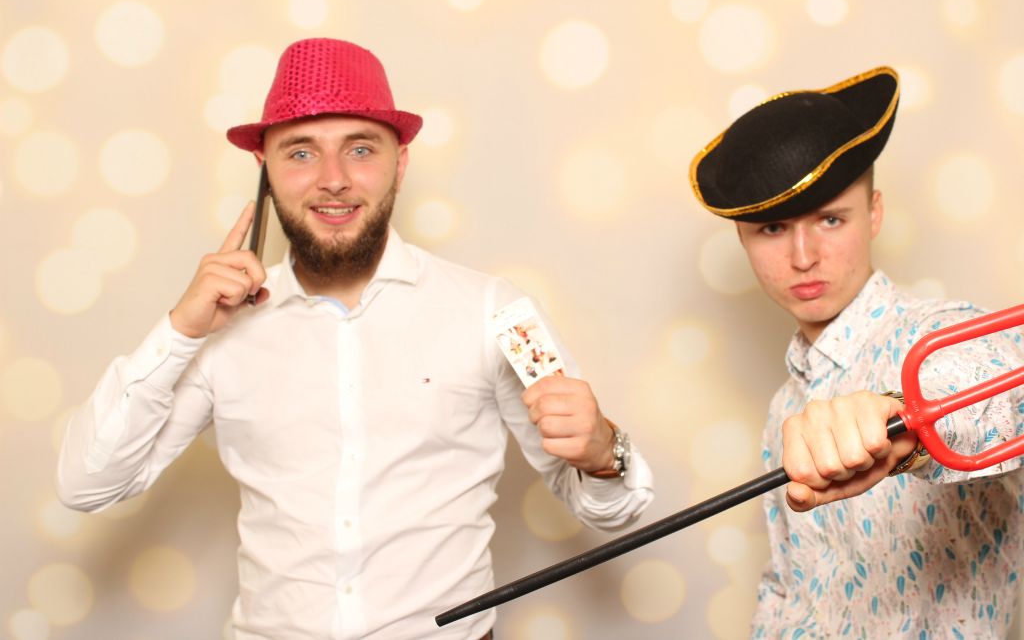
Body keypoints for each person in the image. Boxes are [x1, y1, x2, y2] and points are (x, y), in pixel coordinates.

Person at [57, 38, 654, 640]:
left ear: (401, 163)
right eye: (301, 153)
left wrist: (605, 455)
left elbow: (613, 509)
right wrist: (180, 331)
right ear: (264, 169)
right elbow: (88, 484)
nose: (334, 180)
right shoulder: (215, 331)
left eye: (360, 149)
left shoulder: (498, 313)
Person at [690, 66, 1024, 638]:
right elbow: (790, 587)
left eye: (830, 219)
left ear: (873, 214)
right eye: (772, 229)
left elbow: (1002, 389)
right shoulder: (784, 409)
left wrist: (908, 423)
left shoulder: (940, 337)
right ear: (742, 239)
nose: (803, 256)